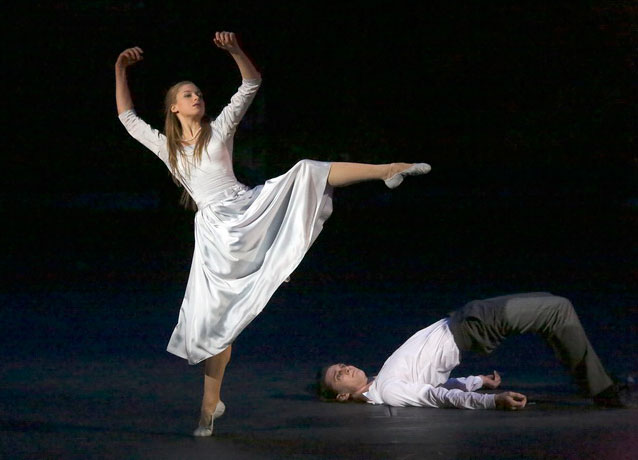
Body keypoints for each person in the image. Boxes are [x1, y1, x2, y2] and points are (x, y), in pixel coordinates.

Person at [115, 31, 432, 436]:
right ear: (174, 107)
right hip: (216, 236)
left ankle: (388, 168)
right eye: (189, 95)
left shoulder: (218, 129)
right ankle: (209, 405)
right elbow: (127, 117)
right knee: (217, 323)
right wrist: (121, 69)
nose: (198, 98)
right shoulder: (167, 148)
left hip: (247, 209)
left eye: (198, 93)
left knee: (305, 171)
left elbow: (251, 83)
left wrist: (234, 51)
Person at [320, 292, 634, 410]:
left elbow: (434, 385)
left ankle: (596, 385)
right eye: (338, 375)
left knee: (554, 314)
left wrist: (476, 381)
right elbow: (437, 397)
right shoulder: (387, 390)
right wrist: (490, 401)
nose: (345, 368)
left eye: (343, 364)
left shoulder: (384, 381)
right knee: (557, 309)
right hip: (472, 324)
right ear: (343, 395)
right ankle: (603, 390)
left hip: (467, 320)